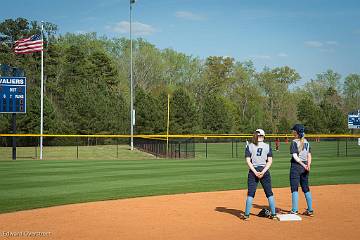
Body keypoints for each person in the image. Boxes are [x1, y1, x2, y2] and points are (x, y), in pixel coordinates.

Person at [244, 129, 277, 220]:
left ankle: (246, 215)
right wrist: (263, 171)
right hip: (264, 170)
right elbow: (269, 161)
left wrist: (255, 171)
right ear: (263, 136)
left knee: (251, 193)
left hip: (253, 171)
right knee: (269, 193)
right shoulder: (267, 146)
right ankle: (273, 214)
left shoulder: (249, 146)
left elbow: (248, 161)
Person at [289, 124, 314, 216]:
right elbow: (309, 155)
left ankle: (294, 210)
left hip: (296, 166)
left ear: (296, 132)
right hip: (305, 167)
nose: (292, 132)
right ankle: (310, 209)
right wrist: (308, 165)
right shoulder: (307, 142)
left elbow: (295, 156)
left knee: (294, 188)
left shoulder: (294, 142)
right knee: (306, 188)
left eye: (293, 131)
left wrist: (303, 164)